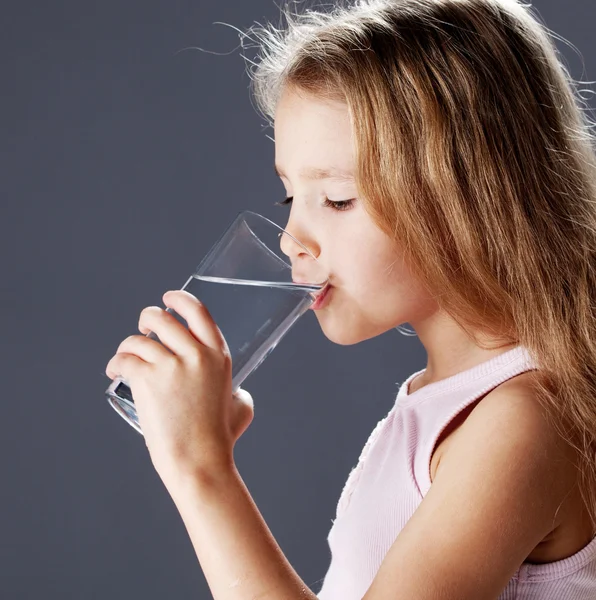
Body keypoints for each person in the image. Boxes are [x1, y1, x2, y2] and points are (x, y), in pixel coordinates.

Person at [105, 0, 596, 598]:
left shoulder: (520, 424)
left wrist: (201, 470)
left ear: (464, 198)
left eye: (337, 199)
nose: (292, 239)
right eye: (291, 197)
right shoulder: (441, 407)